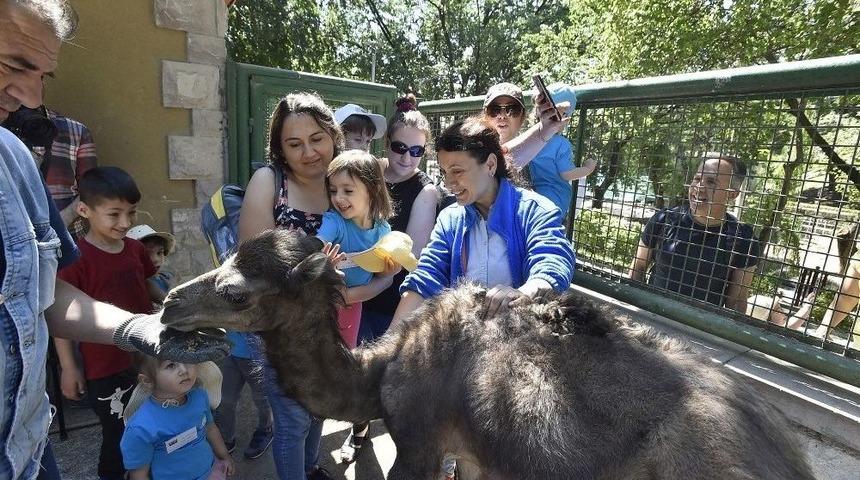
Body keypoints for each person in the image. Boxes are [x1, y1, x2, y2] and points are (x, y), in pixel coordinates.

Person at [0, 2, 228, 479]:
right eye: (12, 65)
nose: (27, 95)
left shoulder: (14, 161)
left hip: (26, 447)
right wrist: (72, 365)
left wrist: (139, 329)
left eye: (43, 76)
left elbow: (41, 293)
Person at [238, 92, 342, 480]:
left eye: (317, 138)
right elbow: (251, 261)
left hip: (326, 321)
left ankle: (312, 468)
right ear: (280, 149)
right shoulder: (270, 180)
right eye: (294, 144)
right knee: (293, 420)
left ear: (332, 134)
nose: (309, 152)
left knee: (318, 407)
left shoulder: (343, 181)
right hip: (275, 324)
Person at [393, 115, 576, 324]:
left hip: (523, 337)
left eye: (457, 171)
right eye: (444, 173)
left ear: (490, 165)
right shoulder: (450, 218)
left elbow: (552, 261)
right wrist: (389, 346)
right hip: (465, 340)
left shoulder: (537, 211)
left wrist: (524, 293)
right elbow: (426, 277)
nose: (448, 183)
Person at [53, 167, 163, 480]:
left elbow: (146, 284)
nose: (126, 223)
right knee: (119, 435)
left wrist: (169, 301)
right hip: (105, 367)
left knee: (150, 425)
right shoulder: (76, 259)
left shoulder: (135, 248)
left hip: (145, 356)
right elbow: (62, 319)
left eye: (131, 213)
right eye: (114, 214)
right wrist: (69, 367)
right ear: (84, 210)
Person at [629, 153, 760, 313]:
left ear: (732, 194)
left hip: (700, 329)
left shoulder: (743, 238)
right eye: (697, 179)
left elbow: (737, 300)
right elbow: (638, 267)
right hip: (652, 317)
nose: (699, 187)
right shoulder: (664, 219)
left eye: (711, 182)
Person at [317, 149, 399, 348]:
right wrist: (320, 258)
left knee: (345, 353)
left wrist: (389, 269)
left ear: (372, 190)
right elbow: (318, 242)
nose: (338, 197)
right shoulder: (334, 221)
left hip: (352, 306)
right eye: (333, 190)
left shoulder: (383, 230)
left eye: (348, 190)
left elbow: (382, 274)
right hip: (320, 301)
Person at [120, 355, 234, 480]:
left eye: (187, 360)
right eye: (171, 365)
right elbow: (139, 475)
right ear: (147, 381)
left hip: (210, 471)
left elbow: (210, 427)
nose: (184, 370)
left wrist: (224, 456)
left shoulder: (199, 396)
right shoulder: (141, 428)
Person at [523, 83, 596, 220]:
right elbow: (567, 174)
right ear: (564, 117)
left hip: (535, 196)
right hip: (556, 200)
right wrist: (587, 169)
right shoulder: (561, 144)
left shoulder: (532, 139)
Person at [34, 108, 98, 239]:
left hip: (69, 235)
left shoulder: (76, 130)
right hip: (12, 240)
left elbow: (92, 189)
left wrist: (61, 221)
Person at [127, 224, 176, 298]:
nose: (155, 259)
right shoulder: (134, 286)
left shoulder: (168, 278)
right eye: (146, 254)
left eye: (159, 253)